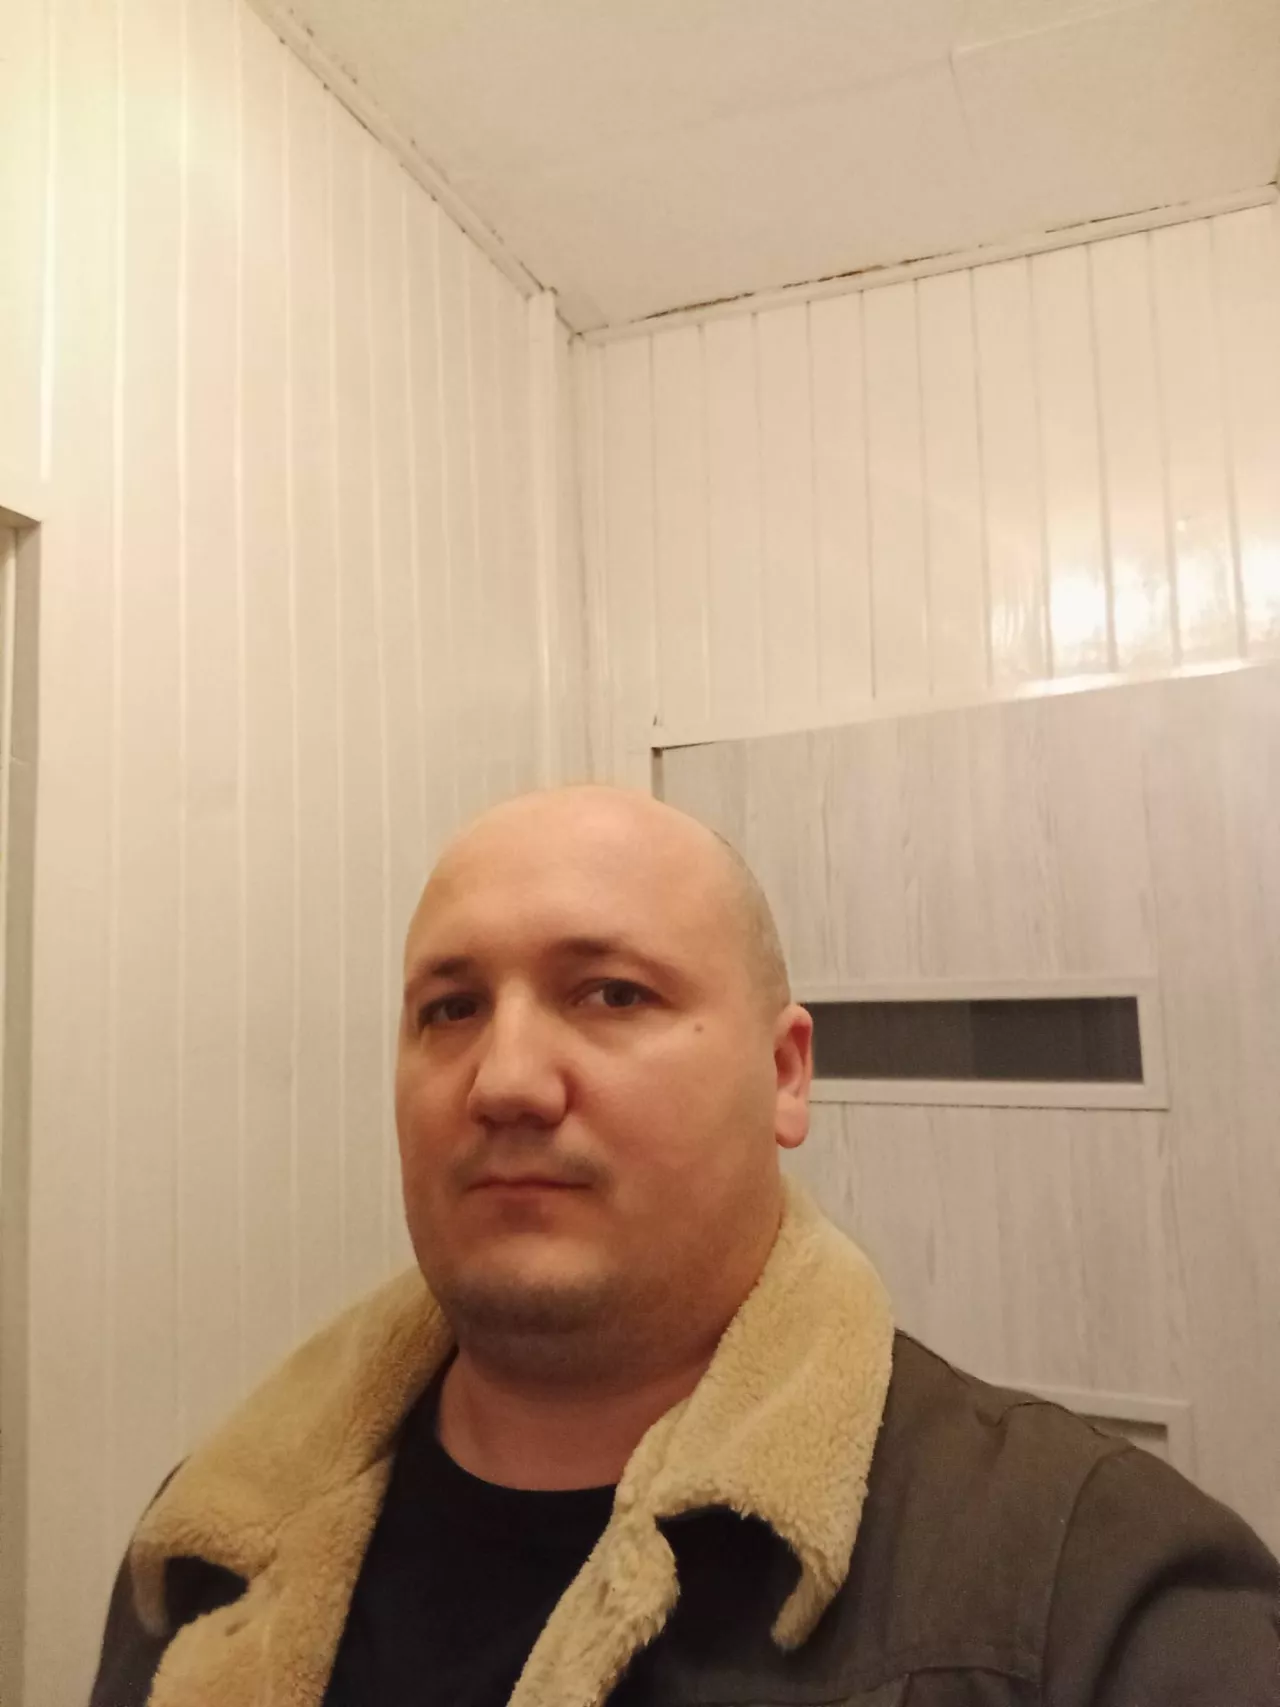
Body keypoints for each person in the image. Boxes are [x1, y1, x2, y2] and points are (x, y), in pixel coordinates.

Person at [90, 785, 1279, 1707]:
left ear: (784, 1074)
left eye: (610, 994)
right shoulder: (211, 1543)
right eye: (450, 1008)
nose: (504, 1081)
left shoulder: (1092, 1595)